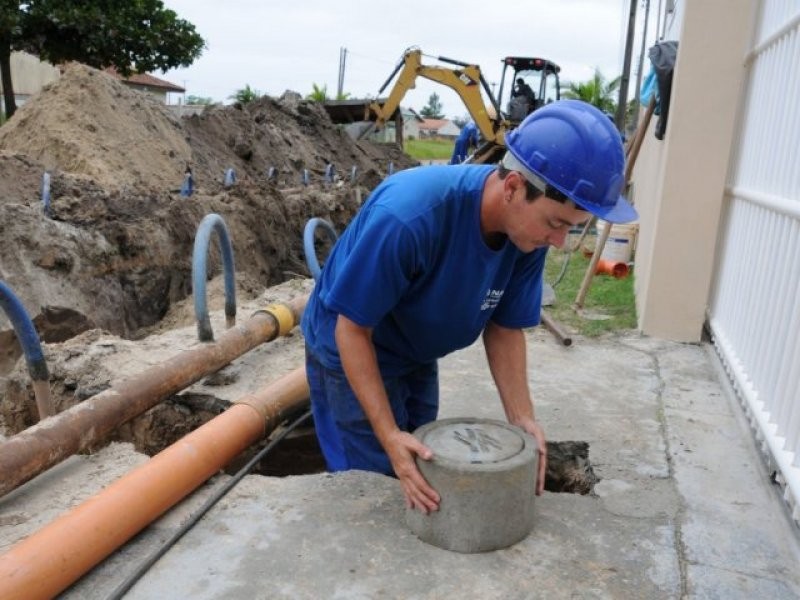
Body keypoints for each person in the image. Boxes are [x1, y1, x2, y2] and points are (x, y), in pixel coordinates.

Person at [301, 100, 637, 514]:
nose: (560, 242)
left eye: (572, 227)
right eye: (556, 224)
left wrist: (523, 419)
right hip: (352, 346)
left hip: (415, 347)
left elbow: (505, 327)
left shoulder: (526, 234)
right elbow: (352, 330)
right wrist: (388, 435)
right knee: (374, 485)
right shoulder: (409, 217)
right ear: (513, 187)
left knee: (423, 465)